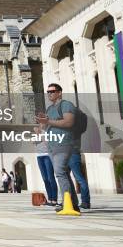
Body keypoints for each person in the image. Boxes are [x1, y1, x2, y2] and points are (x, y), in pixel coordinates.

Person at [36, 83, 80, 213]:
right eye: (48, 92)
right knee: (64, 173)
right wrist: (40, 127)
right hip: (52, 145)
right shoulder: (49, 109)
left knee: (60, 172)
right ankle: (73, 203)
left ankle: (66, 202)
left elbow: (68, 122)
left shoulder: (66, 105)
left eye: (52, 91)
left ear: (59, 92)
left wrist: (48, 122)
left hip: (64, 143)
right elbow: (46, 127)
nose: (49, 94)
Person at [34, 125, 58, 206]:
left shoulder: (46, 133)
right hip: (39, 157)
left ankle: (54, 199)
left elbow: (49, 144)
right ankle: (50, 199)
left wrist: (41, 135)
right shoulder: (34, 135)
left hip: (47, 156)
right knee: (45, 179)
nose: (35, 129)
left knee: (50, 178)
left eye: (37, 128)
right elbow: (35, 145)